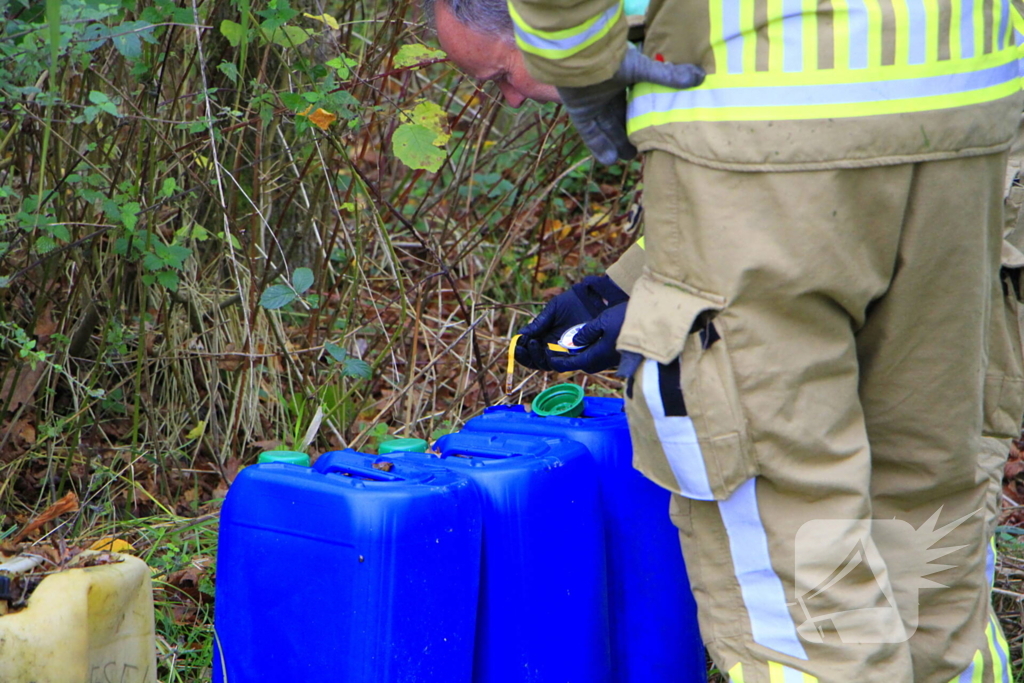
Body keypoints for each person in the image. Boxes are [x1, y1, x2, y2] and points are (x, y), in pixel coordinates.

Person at [426, 1, 1024, 681]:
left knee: (799, 577)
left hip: (764, 102)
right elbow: (839, 200)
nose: (507, 100)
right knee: (926, 522)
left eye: (499, 75)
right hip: (972, 107)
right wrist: (635, 284)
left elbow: (784, 190)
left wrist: (580, 63)